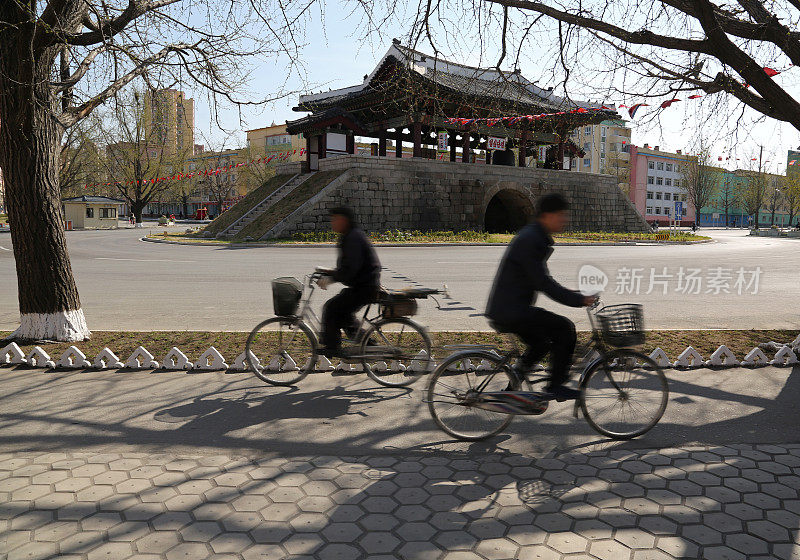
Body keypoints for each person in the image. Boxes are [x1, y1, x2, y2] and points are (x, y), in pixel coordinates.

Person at [486, 193, 597, 401]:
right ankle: (556, 386)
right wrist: (578, 300)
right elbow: (543, 283)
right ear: (547, 215)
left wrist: (574, 295)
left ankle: (512, 389)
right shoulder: (532, 239)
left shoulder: (534, 236)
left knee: (542, 343)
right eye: (561, 215)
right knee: (565, 329)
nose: (565, 220)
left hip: (509, 308)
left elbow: (543, 280)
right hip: (512, 310)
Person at [317, 207, 381, 358]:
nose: (332, 223)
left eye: (335, 219)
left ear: (344, 220)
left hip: (364, 287)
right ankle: (369, 346)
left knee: (331, 308)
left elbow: (350, 269)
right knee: (344, 315)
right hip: (364, 285)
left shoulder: (352, 238)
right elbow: (347, 268)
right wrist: (328, 272)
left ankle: (332, 347)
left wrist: (331, 278)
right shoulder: (350, 235)